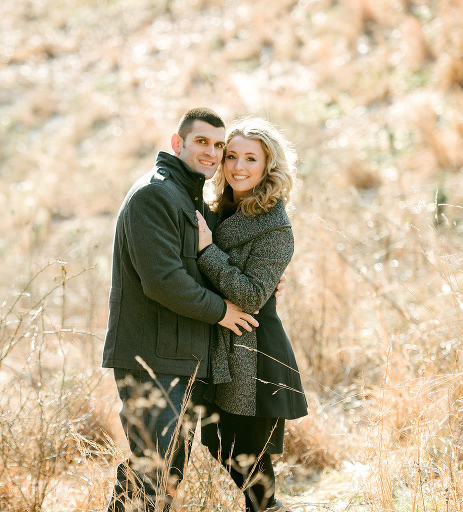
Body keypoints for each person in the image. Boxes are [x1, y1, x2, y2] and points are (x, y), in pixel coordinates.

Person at [101, 107, 262, 512]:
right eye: (201, 142)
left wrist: (261, 277)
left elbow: (200, 265)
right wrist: (222, 312)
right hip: (151, 356)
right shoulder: (154, 194)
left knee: (164, 471)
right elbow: (163, 281)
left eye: (218, 145)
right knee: (151, 471)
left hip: (178, 356)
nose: (211, 152)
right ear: (178, 143)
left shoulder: (188, 197)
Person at [195, 117, 308, 512]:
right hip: (215, 341)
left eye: (250, 159)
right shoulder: (214, 210)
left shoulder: (276, 228)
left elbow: (253, 294)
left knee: (249, 454)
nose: (238, 166)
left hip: (253, 348)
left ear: (267, 167)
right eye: (231, 156)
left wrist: (208, 252)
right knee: (214, 439)